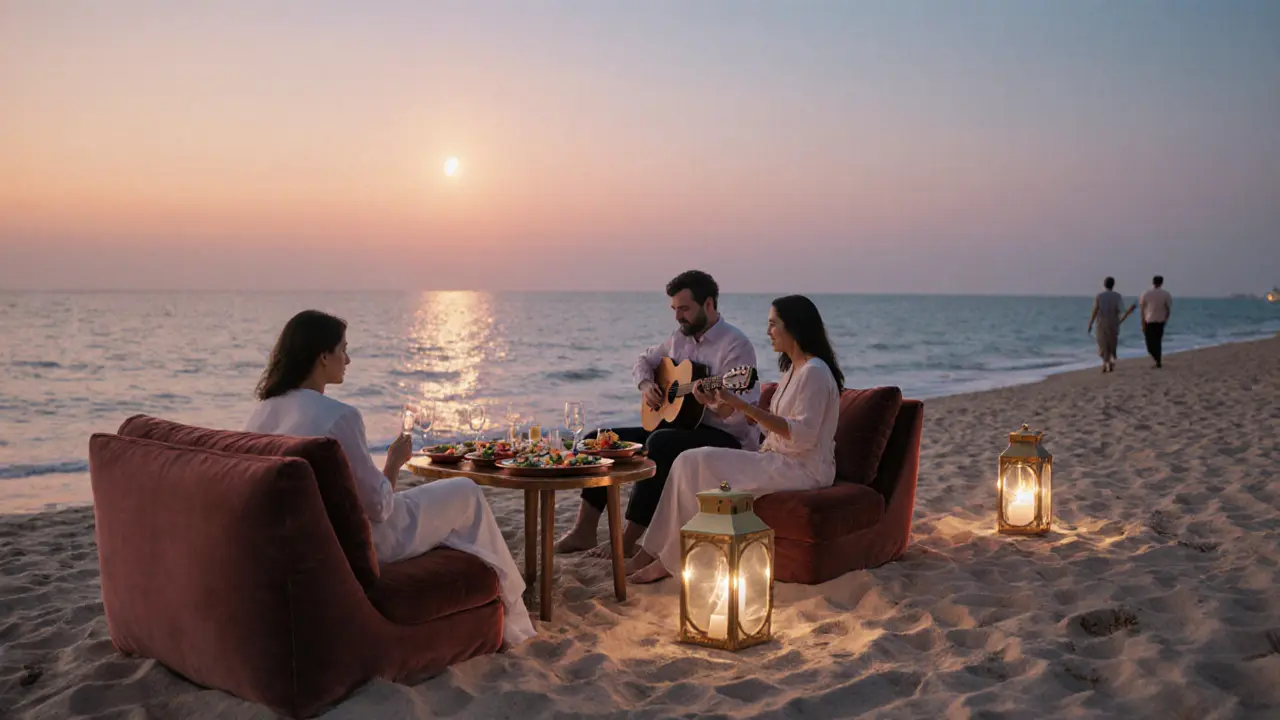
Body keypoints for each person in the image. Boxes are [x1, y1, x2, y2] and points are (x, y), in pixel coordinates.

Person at [244, 310, 535, 647]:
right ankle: (513, 611)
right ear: (323, 356)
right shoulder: (339, 417)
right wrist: (395, 462)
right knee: (466, 492)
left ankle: (492, 599)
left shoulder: (261, 413)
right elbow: (380, 508)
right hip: (369, 543)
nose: (348, 359)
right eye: (343, 349)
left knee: (447, 501)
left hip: (311, 540)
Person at [627, 295, 844, 584]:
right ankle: (654, 551)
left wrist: (742, 405)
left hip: (804, 469)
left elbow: (801, 436)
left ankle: (668, 560)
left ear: (794, 327)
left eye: (773, 324)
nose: (768, 332)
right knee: (687, 461)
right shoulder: (794, 370)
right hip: (778, 458)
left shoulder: (815, 373)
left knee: (696, 461)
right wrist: (718, 403)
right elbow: (770, 426)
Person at [554, 270, 760, 558]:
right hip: (677, 427)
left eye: (685, 309)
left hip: (725, 437)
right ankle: (583, 531)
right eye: (675, 309)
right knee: (598, 439)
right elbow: (644, 360)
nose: (678, 316)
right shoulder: (679, 338)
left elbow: (744, 413)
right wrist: (647, 384)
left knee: (660, 442)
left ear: (709, 305)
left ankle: (627, 541)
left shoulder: (736, 346)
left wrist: (713, 402)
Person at [1087, 276, 1135, 373]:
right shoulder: (1117, 296)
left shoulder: (1099, 296)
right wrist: (1130, 310)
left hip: (1101, 323)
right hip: (1114, 322)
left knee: (1102, 344)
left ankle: (1105, 363)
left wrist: (1090, 323)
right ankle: (1110, 361)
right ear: (1113, 285)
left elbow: (1095, 310)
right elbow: (1122, 310)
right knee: (1112, 343)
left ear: (1104, 284)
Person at [1140, 275, 1173, 368]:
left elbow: (1142, 309)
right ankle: (1157, 359)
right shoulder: (1165, 294)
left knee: (1150, 343)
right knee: (1157, 342)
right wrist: (1166, 319)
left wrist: (1142, 322)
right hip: (1159, 320)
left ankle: (1158, 361)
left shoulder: (1146, 293)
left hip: (1150, 320)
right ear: (1161, 283)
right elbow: (1168, 309)